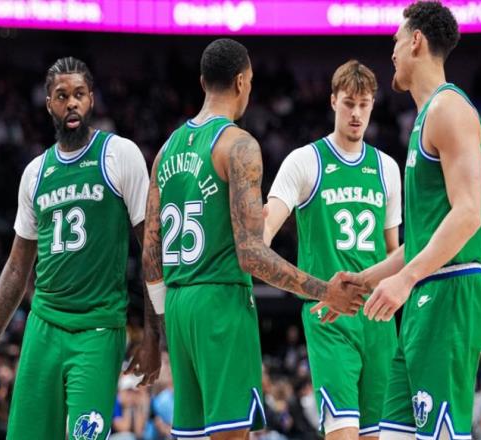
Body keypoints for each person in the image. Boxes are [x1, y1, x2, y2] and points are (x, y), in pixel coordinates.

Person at [142, 38, 366, 440]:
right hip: (221, 303)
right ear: (242, 82)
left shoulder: (165, 150)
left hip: (177, 306)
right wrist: (324, 291)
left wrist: (158, 328)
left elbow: (149, 256)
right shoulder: (238, 145)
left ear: (202, 82)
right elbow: (252, 256)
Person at [327, 2, 481, 439]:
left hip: (450, 290)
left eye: (396, 41)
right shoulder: (425, 117)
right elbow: (420, 241)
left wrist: (405, 279)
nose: (393, 51)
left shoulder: (448, 109)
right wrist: (362, 281)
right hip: (425, 291)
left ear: (416, 41)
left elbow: (469, 214)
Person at [0, 57, 161, 439]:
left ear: (91, 100)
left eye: (79, 94)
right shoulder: (35, 172)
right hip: (44, 326)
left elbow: (152, 247)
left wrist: (153, 335)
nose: (71, 103)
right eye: (62, 95)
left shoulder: (120, 154)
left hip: (98, 329)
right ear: (49, 104)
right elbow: (17, 268)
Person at [263, 60, 402, 440]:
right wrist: (257, 235)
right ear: (333, 101)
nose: (356, 113)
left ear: (373, 105)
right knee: (342, 433)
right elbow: (266, 227)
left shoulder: (387, 168)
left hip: (378, 317)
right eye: (349, 103)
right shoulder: (305, 160)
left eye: (364, 104)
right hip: (329, 316)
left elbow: (393, 250)